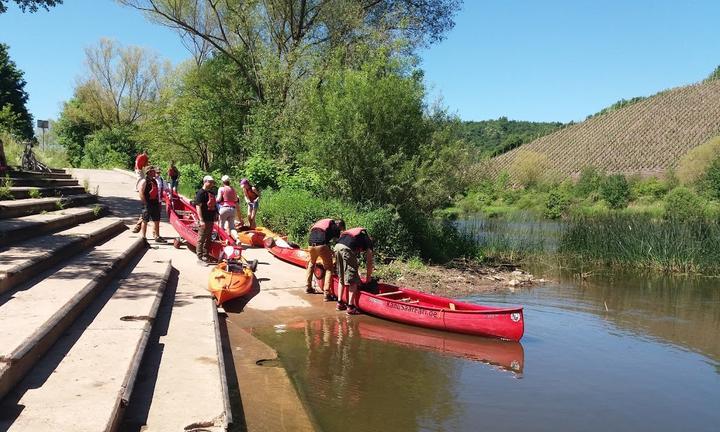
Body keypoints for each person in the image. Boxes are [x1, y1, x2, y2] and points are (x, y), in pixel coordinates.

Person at [333, 227, 374, 315]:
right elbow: (369, 263)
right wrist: (367, 279)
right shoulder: (368, 242)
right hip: (346, 249)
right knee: (353, 280)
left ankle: (340, 303)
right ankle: (350, 307)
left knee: (342, 276)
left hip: (337, 247)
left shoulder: (357, 238)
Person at [306, 218, 346, 300]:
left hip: (310, 245)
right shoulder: (335, 227)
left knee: (311, 263)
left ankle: (308, 287)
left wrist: (329, 249)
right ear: (340, 225)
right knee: (329, 268)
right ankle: (327, 293)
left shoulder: (322, 223)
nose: (340, 230)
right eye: (341, 228)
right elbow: (337, 242)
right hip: (321, 245)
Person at [137, 166, 166, 243]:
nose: (155, 172)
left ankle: (157, 236)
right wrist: (145, 203)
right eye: (153, 171)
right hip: (147, 204)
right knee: (145, 220)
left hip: (155, 203)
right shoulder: (144, 181)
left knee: (157, 220)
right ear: (149, 172)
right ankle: (143, 237)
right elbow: (141, 192)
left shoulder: (154, 181)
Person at [195, 175, 218, 264]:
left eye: (213, 182)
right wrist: (201, 220)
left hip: (210, 218)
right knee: (201, 238)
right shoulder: (200, 193)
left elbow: (214, 205)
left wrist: (216, 213)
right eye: (211, 182)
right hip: (204, 219)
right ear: (205, 182)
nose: (212, 183)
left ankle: (206, 254)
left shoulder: (212, 193)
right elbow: (198, 206)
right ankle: (199, 256)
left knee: (208, 238)